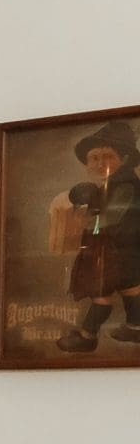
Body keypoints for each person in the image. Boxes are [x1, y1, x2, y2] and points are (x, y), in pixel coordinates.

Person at [49, 119, 140, 352]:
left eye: (107, 156)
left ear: (125, 158)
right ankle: (135, 326)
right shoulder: (113, 185)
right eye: (94, 158)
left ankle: (87, 336)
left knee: (100, 293)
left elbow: (113, 219)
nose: (100, 163)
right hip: (123, 250)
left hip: (118, 250)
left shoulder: (126, 185)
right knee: (130, 287)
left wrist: (89, 222)